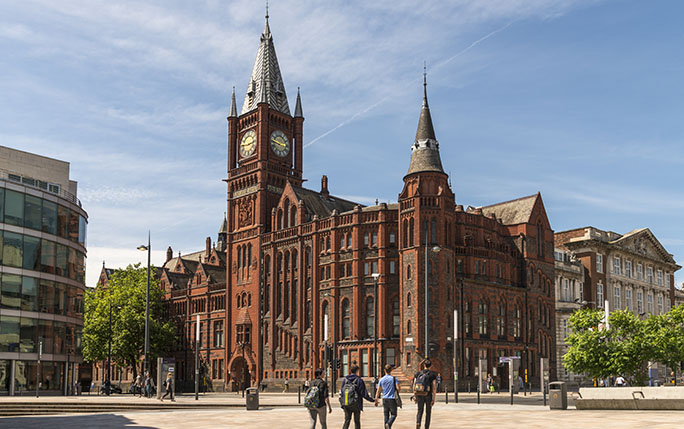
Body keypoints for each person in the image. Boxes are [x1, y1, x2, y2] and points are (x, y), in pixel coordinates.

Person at [339, 364, 374, 429]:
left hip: (346, 402)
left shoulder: (345, 380)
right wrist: (372, 400)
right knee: (357, 421)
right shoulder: (359, 380)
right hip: (356, 403)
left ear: (350, 370)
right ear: (357, 370)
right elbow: (364, 394)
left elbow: (342, 391)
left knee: (347, 420)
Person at [412, 359, 437, 429]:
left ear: (424, 365)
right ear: (430, 366)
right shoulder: (432, 375)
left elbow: (414, 385)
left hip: (419, 394)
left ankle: (418, 422)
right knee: (428, 412)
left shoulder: (418, 374)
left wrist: (415, 395)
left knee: (420, 410)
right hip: (428, 395)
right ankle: (426, 427)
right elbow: (434, 387)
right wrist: (433, 399)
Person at [375, 364, 401, 429]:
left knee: (386, 415)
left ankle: (386, 427)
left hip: (384, 398)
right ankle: (389, 424)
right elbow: (398, 388)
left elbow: (378, 390)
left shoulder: (381, 379)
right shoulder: (394, 379)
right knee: (394, 414)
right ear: (391, 370)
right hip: (392, 398)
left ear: (384, 370)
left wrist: (376, 399)